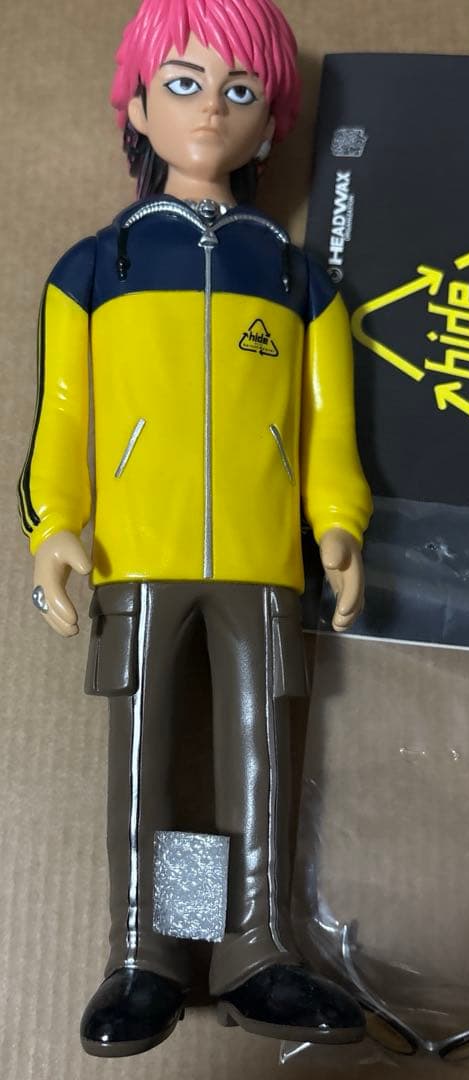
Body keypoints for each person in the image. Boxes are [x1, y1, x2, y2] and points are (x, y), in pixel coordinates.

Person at [18, 0, 373, 1059]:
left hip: (262, 562)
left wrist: (338, 523)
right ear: (136, 105)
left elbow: (329, 428)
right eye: (183, 82)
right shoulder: (95, 268)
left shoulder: (298, 279)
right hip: (137, 555)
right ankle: (149, 953)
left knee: (258, 751)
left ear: (270, 122)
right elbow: (62, 418)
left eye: (238, 89)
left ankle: (256, 950)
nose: (210, 108)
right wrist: (55, 525)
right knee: (148, 750)